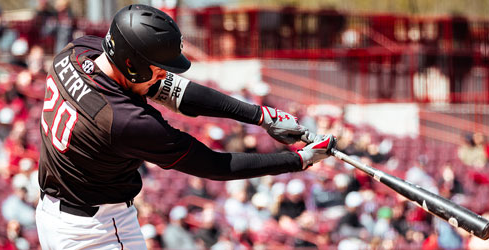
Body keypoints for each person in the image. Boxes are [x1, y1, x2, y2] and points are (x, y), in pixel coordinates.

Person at [35, 4, 336, 249]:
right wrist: (298, 160)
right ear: (131, 64)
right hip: (96, 231)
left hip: (53, 217)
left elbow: (179, 93)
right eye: (157, 67)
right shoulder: (125, 121)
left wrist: (260, 116)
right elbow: (216, 165)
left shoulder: (74, 54)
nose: (162, 75)